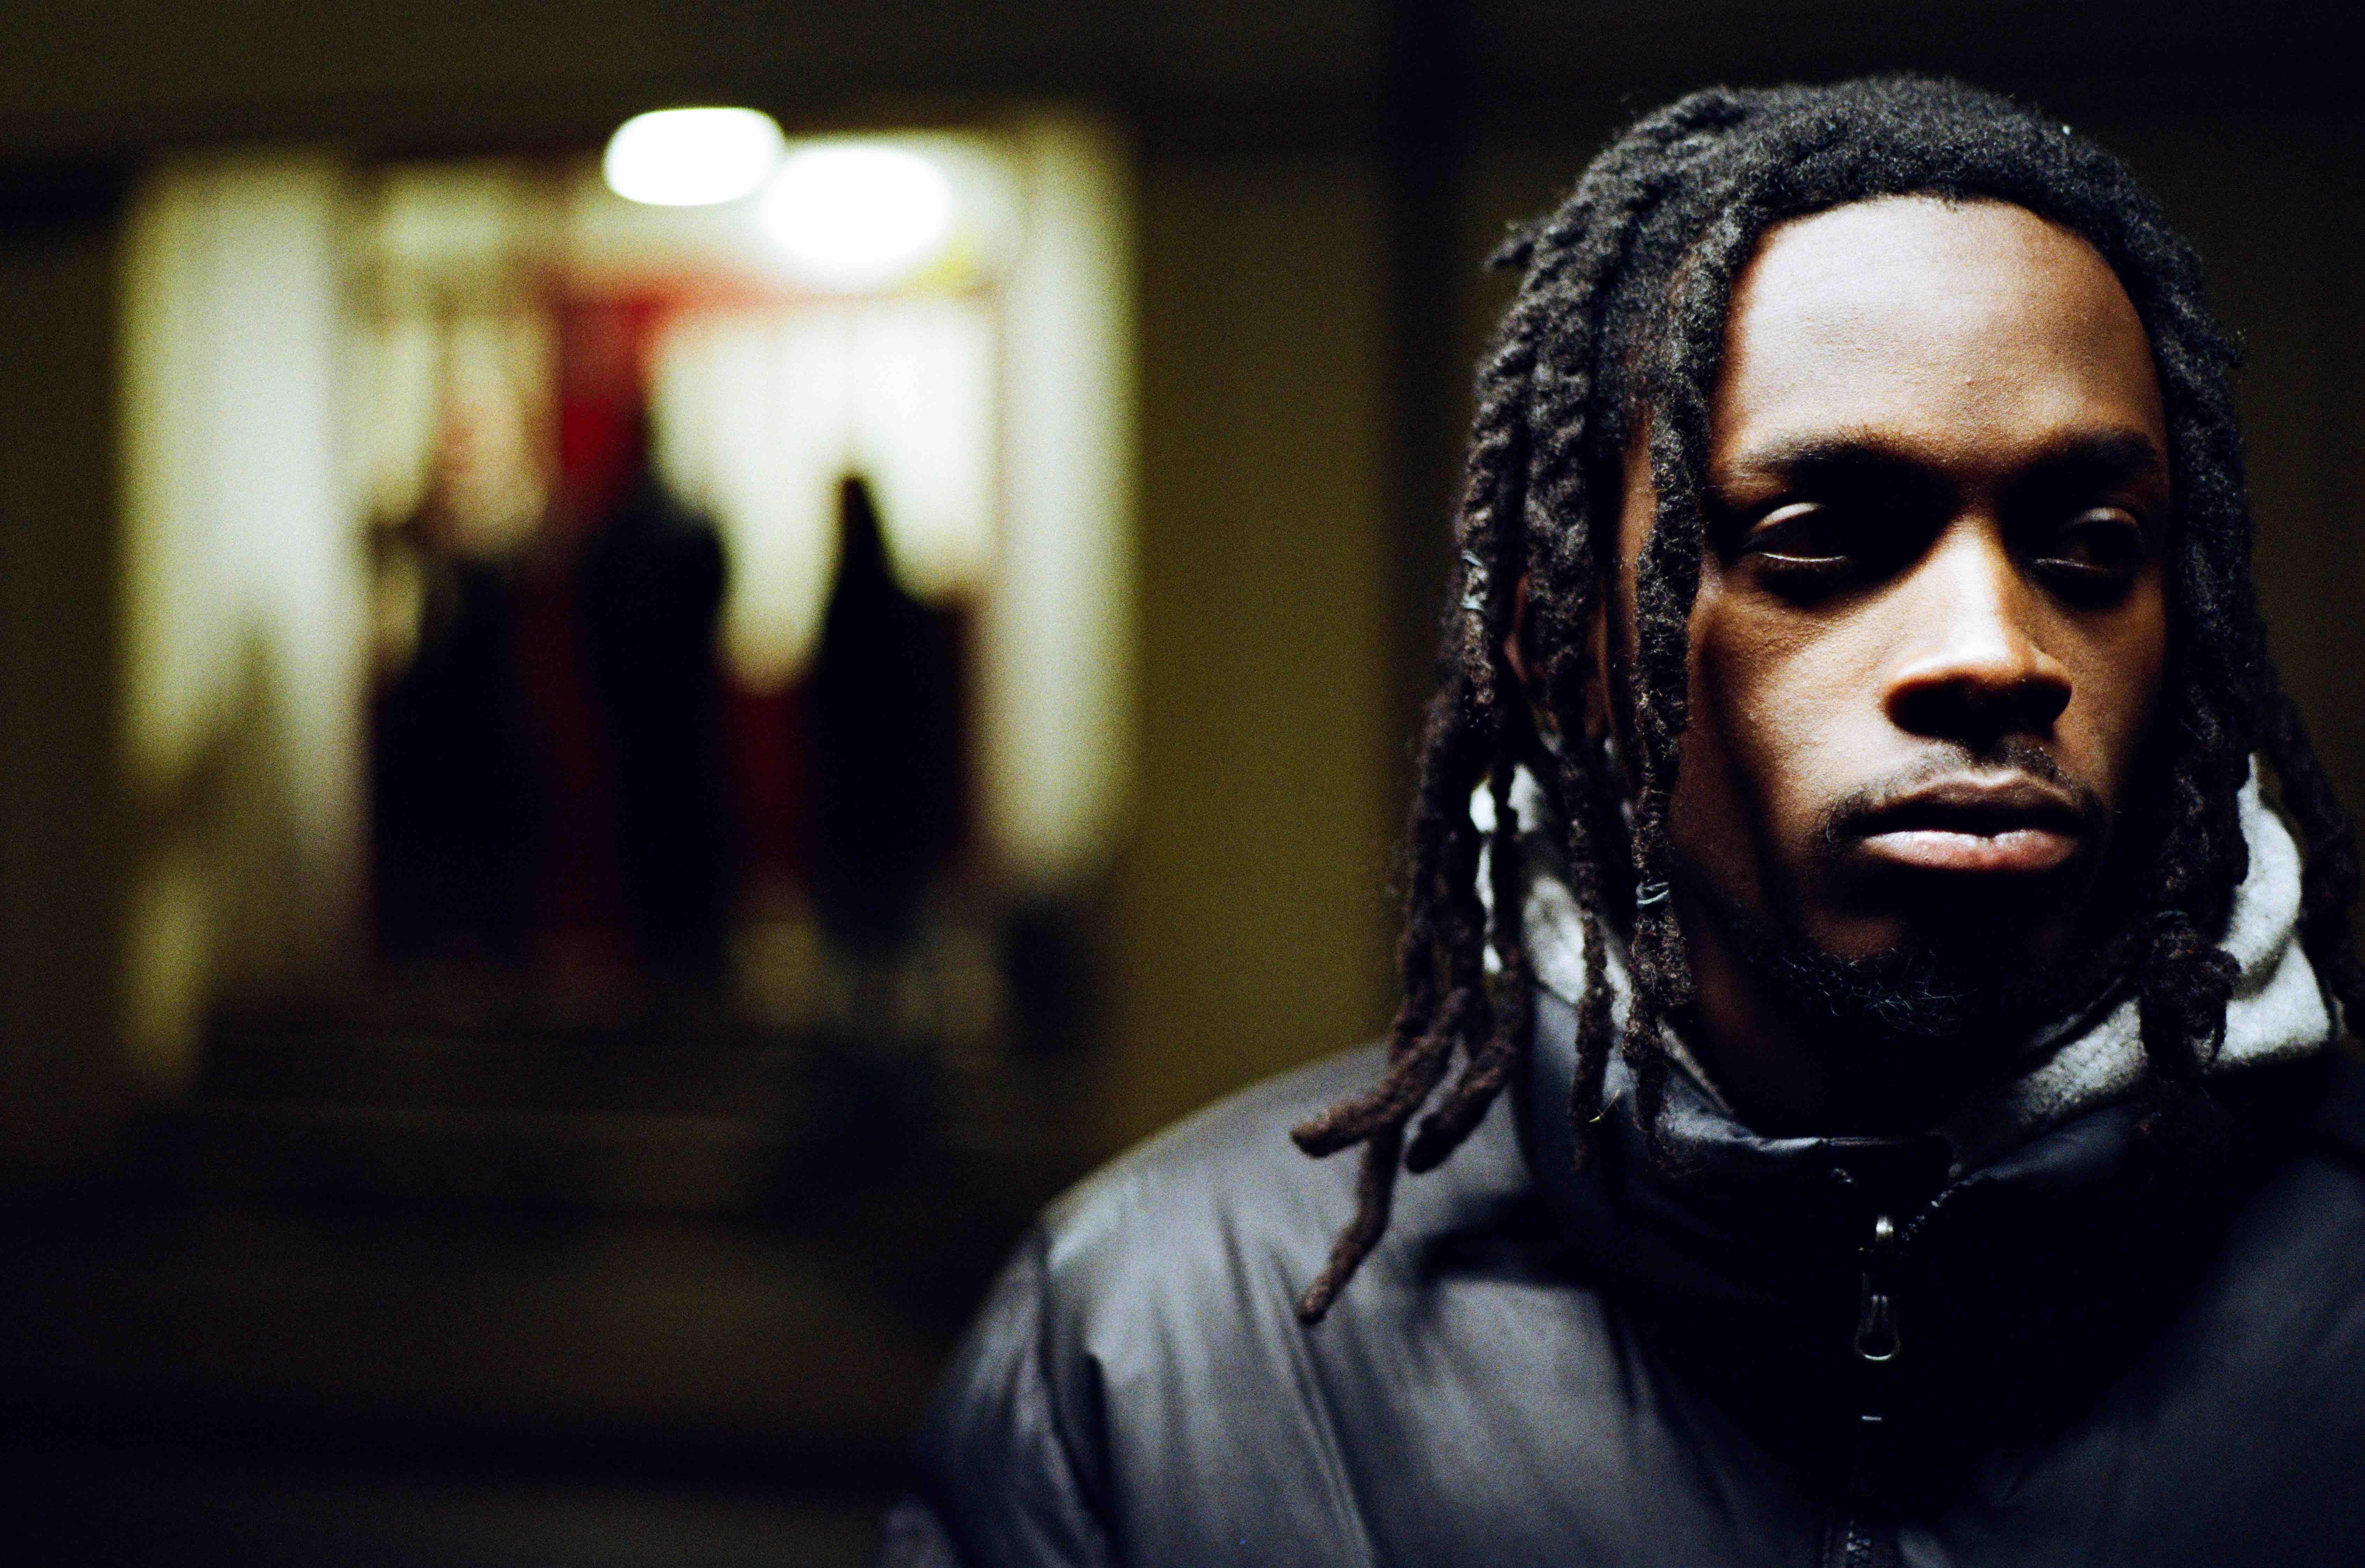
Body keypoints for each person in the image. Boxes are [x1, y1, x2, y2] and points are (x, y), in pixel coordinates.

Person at [882, 77, 2365, 1566]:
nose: (1994, 649)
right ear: (1563, 653)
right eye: (1819, 544)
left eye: (2091, 548)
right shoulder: (1150, 1351)